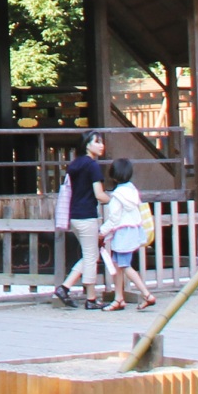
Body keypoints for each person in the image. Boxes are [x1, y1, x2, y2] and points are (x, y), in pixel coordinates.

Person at [54, 133, 108, 309]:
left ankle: (65, 287)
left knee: (89, 255)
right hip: (87, 216)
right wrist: (115, 199)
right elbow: (99, 194)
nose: (101, 146)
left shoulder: (75, 164)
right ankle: (90, 299)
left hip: (74, 215)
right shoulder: (92, 166)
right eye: (97, 142)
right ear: (87, 145)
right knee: (92, 257)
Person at [98, 157, 155, 312]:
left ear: (113, 176)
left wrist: (101, 232)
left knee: (125, 265)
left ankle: (146, 294)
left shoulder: (117, 197)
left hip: (122, 233)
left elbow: (114, 219)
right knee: (118, 265)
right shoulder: (133, 192)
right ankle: (118, 298)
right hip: (134, 231)